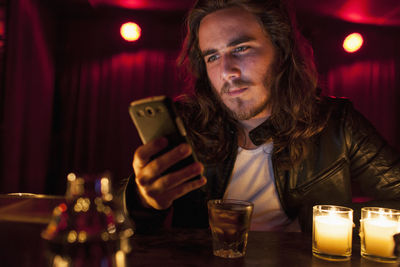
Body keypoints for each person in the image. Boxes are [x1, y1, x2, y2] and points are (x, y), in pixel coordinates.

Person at [123, 0, 400, 233]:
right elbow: (130, 227)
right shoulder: (187, 126)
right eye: (212, 57)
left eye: (241, 48)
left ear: (281, 51)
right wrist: (144, 201)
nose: (227, 71)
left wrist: (334, 227)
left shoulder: (337, 122)